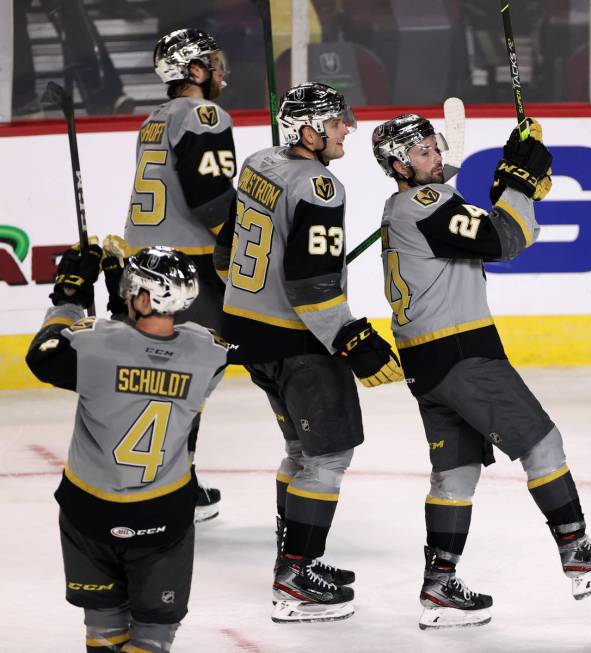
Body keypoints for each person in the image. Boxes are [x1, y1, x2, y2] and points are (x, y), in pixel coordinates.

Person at [371, 114, 591, 629]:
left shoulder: (405, 207)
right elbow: (505, 241)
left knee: (455, 473)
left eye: (434, 147)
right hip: (462, 355)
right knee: (543, 443)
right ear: (400, 164)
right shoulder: (425, 203)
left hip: (427, 362)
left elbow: (493, 231)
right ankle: (577, 550)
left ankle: (439, 588)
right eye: (425, 151)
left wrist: (513, 184)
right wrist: (519, 181)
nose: (436, 157)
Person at [215, 82, 403, 623]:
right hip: (299, 343)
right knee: (327, 455)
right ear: (309, 130)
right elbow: (312, 288)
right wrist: (353, 341)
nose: (349, 129)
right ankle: (297, 574)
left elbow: (227, 250)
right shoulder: (321, 188)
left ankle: (292, 559)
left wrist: (250, 297)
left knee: (301, 450)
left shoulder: (258, 162)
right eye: (338, 121)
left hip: (251, 335)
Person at [25, 243, 228, 652]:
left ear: (138, 295)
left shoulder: (94, 345)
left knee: (102, 628)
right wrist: (126, 296)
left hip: (89, 510)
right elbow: (148, 351)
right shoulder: (209, 353)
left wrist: (71, 296)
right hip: (161, 512)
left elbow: (45, 354)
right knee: (152, 635)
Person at [124, 27, 237, 521]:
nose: (222, 70)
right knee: (186, 378)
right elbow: (211, 197)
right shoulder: (204, 114)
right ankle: (165, 488)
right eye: (214, 61)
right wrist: (247, 246)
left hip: (144, 265)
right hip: (184, 270)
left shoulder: (154, 118)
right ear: (194, 70)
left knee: (161, 378)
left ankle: (166, 481)